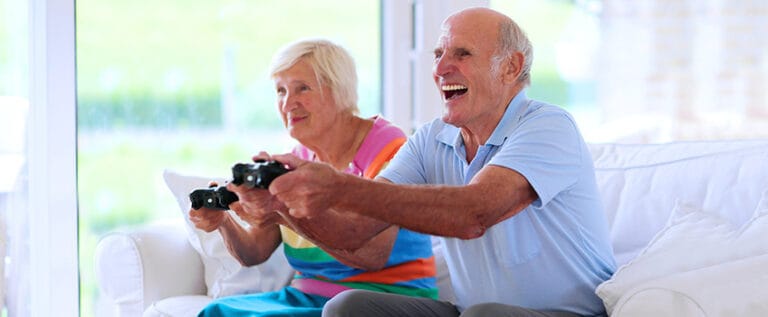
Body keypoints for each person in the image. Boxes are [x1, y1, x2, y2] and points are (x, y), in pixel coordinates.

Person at [259, 7, 617, 317]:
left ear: (511, 67)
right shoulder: (431, 139)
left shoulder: (548, 125)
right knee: (347, 308)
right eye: (438, 54)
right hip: (469, 313)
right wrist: (280, 206)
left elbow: (474, 214)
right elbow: (353, 232)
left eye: (462, 54)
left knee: (486, 315)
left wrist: (338, 187)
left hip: (569, 314)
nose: (441, 69)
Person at [189, 39, 438, 317]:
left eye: (302, 88)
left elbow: (371, 256)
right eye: (280, 90)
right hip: (306, 296)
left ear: (339, 90)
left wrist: (282, 211)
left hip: (380, 298)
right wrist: (224, 222)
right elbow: (255, 252)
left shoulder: (389, 149)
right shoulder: (295, 159)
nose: (287, 103)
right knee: (216, 312)